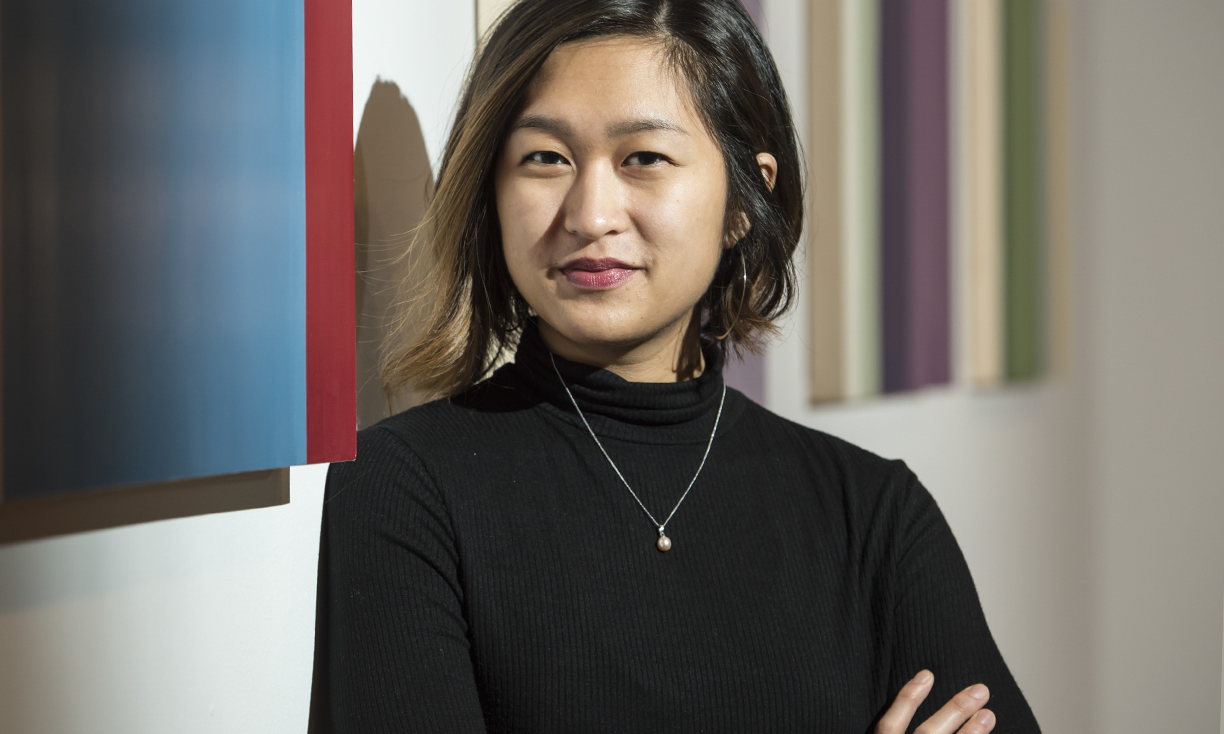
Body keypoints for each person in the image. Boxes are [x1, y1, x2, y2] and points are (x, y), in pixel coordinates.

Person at [311, 1, 1040, 732]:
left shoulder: (872, 514)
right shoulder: (404, 490)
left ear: (742, 200)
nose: (591, 214)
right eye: (545, 159)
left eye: (644, 159)